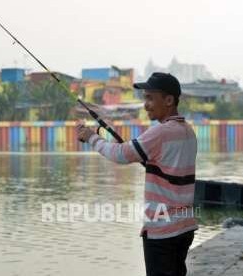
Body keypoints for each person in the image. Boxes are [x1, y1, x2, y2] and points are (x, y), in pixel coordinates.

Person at [76, 72, 197, 276]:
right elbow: (167, 169)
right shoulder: (187, 131)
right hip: (185, 226)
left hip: (163, 230)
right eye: (145, 98)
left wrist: (92, 138)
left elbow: (120, 154)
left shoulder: (161, 133)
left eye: (150, 98)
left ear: (169, 100)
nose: (145, 104)